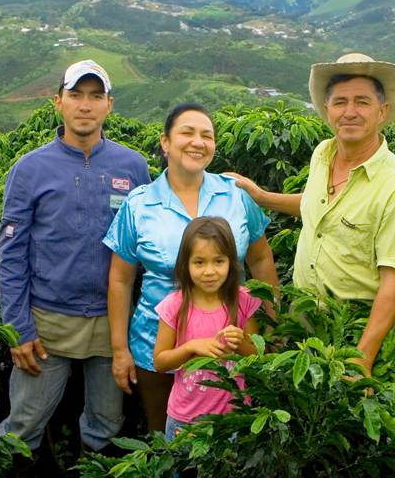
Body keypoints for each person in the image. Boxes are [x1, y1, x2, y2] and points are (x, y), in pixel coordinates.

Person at [228, 53, 395, 375]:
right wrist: (262, 197)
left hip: (361, 327)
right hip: (306, 316)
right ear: (328, 110)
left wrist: (362, 360)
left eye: (361, 102)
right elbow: (318, 204)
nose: (349, 112)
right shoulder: (323, 153)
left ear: (382, 112)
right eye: (340, 102)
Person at [0, 59, 151, 458]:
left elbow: (146, 244)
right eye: (76, 95)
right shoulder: (30, 169)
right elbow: (12, 254)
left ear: (109, 105)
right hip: (47, 321)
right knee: (25, 420)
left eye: (95, 96)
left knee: (106, 420)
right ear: (58, 103)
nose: (85, 105)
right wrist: (18, 328)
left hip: (112, 322)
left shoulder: (132, 167)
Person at [105, 103, 280, 434]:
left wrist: (271, 329)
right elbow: (120, 279)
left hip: (231, 347)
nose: (198, 141)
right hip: (155, 348)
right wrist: (119, 350)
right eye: (187, 132)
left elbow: (260, 259)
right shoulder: (139, 204)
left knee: (230, 436)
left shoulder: (235, 197)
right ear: (165, 142)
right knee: (166, 436)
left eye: (207, 135)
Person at [150, 217, 262, 478]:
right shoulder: (176, 305)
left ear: (232, 262)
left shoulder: (243, 301)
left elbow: (260, 356)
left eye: (218, 261)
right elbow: (161, 360)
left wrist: (243, 341)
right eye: (199, 263)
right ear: (185, 265)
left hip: (232, 419)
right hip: (186, 418)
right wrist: (192, 347)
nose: (209, 271)